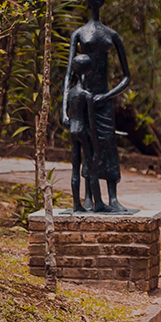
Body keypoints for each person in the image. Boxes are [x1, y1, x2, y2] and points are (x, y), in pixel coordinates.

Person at [62, 0, 131, 213]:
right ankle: (89, 197)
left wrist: (108, 95)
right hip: (83, 100)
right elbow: (68, 74)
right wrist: (64, 110)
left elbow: (126, 77)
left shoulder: (111, 35)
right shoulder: (79, 34)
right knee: (87, 149)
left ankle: (112, 197)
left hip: (103, 100)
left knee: (108, 145)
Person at [65, 54, 103, 212]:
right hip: (82, 130)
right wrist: (97, 150)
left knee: (75, 168)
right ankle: (99, 203)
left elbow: (68, 114)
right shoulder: (86, 95)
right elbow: (92, 125)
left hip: (72, 130)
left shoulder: (71, 93)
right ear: (87, 72)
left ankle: (76, 204)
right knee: (91, 166)